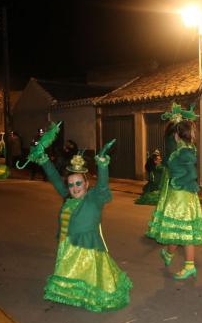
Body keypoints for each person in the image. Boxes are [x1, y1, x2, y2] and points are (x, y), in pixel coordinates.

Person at [30, 129, 132, 312]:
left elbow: (102, 186)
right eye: (71, 184)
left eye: (78, 183)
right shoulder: (68, 197)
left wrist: (102, 166)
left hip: (89, 247)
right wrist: (44, 160)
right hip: (69, 246)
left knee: (91, 278)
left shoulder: (94, 198)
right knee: (72, 274)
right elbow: (54, 178)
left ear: (86, 183)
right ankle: (73, 295)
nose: (74, 188)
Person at [146, 103, 202, 280]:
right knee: (178, 228)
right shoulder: (185, 149)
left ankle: (189, 265)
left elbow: (191, 173)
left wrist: (177, 181)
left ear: (176, 135)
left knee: (185, 230)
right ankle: (168, 253)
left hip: (181, 194)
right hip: (180, 195)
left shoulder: (185, 151)